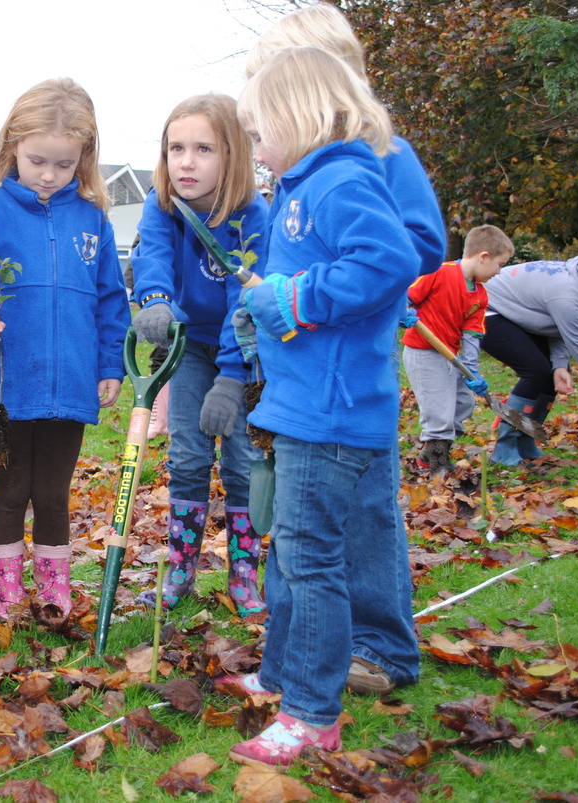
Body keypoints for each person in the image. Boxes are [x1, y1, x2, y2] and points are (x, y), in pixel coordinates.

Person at [225, 47, 421, 765]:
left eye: (257, 131)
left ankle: (311, 712)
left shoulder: (339, 181)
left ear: (296, 115)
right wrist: (263, 306)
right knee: (293, 549)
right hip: (300, 403)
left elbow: (389, 261)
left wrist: (296, 299)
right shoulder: (301, 189)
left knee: (310, 559)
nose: (255, 147)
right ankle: (284, 672)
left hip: (329, 413)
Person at [246, 0, 442, 699]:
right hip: (303, 365)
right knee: (305, 518)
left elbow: (415, 245)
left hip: (352, 366)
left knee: (366, 513)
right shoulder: (299, 172)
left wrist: (324, 291)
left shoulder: (383, 155)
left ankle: (382, 644)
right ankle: (308, 647)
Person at [0, 78, 129, 621]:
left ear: (84, 161)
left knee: (52, 493)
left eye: (64, 165)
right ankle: (7, 594)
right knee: (9, 489)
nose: (49, 175)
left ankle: (53, 593)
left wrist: (108, 363)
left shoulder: (92, 220)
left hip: (69, 385)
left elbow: (111, 302)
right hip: (5, 388)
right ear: (12, 149)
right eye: (37, 161)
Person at [130, 93, 269, 617]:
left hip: (245, 351)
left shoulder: (253, 215)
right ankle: (181, 567)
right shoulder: (163, 204)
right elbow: (155, 258)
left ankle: (243, 573)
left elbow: (246, 301)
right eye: (176, 148)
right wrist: (156, 301)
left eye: (204, 149)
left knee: (242, 460)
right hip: (187, 344)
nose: (186, 162)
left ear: (232, 154)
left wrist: (232, 380)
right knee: (189, 454)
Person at [244, 0, 445, 277]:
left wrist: (343, 268)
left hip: (351, 311)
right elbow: (278, 250)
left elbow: (425, 244)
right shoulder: (293, 172)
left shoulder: (385, 151)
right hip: (295, 314)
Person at [403, 225, 513, 474]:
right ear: (483, 256)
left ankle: (427, 455)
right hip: (423, 353)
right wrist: (405, 310)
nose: (500, 271)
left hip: (450, 357)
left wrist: (472, 371)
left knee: (463, 404)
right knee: (438, 412)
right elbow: (407, 296)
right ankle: (438, 465)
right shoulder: (439, 272)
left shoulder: (480, 295)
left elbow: (472, 334)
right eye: (500, 264)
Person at [482, 255, 578, 465]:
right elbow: (577, 341)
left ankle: (525, 441)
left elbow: (557, 328)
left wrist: (560, 366)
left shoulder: (573, 286)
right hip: (486, 308)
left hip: (519, 314)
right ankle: (504, 449)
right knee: (536, 371)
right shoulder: (566, 294)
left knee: (548, 374)